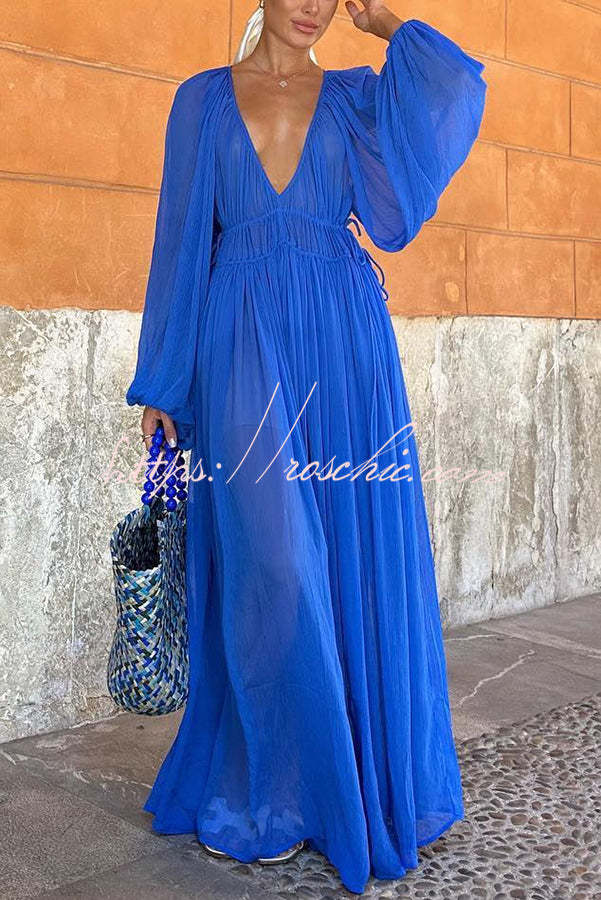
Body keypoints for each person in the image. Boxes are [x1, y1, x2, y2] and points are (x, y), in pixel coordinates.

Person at [125, 0, 487, 893]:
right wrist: (163, 382)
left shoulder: (356, 98)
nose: (314, 4)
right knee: (274, 564)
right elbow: (180, 242)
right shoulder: (202, 100)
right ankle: (275, 792)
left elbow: (450, 91)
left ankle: (339, 788)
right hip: (241, 340)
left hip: (346, 345)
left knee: (349, 563)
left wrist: (386, 23)